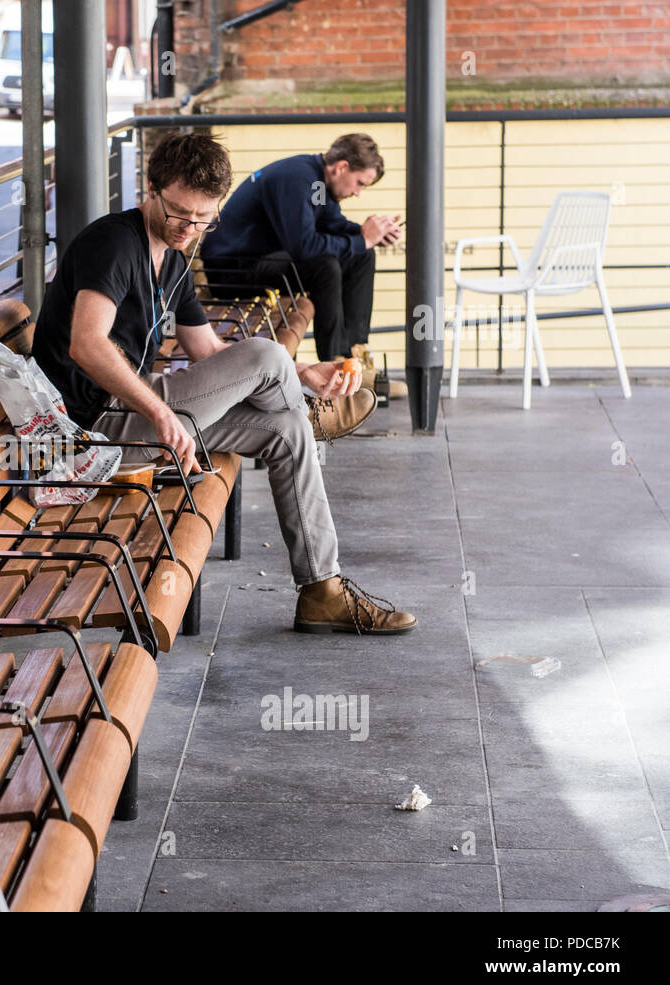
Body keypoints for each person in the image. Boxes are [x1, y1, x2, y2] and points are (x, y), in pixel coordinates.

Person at [30, 131, 417, 635]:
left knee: (286, 432)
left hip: (133, 416)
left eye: (202, 218)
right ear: (151, 189)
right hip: (93, 430)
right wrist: (161, 412)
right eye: (178, 212)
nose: (189, 227)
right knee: (264, 352)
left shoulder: (173, 255)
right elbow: (87, 343)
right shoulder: (114, 242)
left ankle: (322, 590)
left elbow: (208, 351)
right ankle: (306, 408)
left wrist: (304, 372)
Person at [201, 134, 402, 371]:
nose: (358, 192)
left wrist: (371, 234)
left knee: (362, 256)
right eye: (360, 183)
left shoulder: (316, 179)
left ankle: (355, 353)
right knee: (325, 267)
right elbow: (304, 247)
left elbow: (331, 222)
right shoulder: (297, 178)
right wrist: (363, 239)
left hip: (262, 261)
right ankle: (335, 364)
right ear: (342, 167)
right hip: (231, 270)